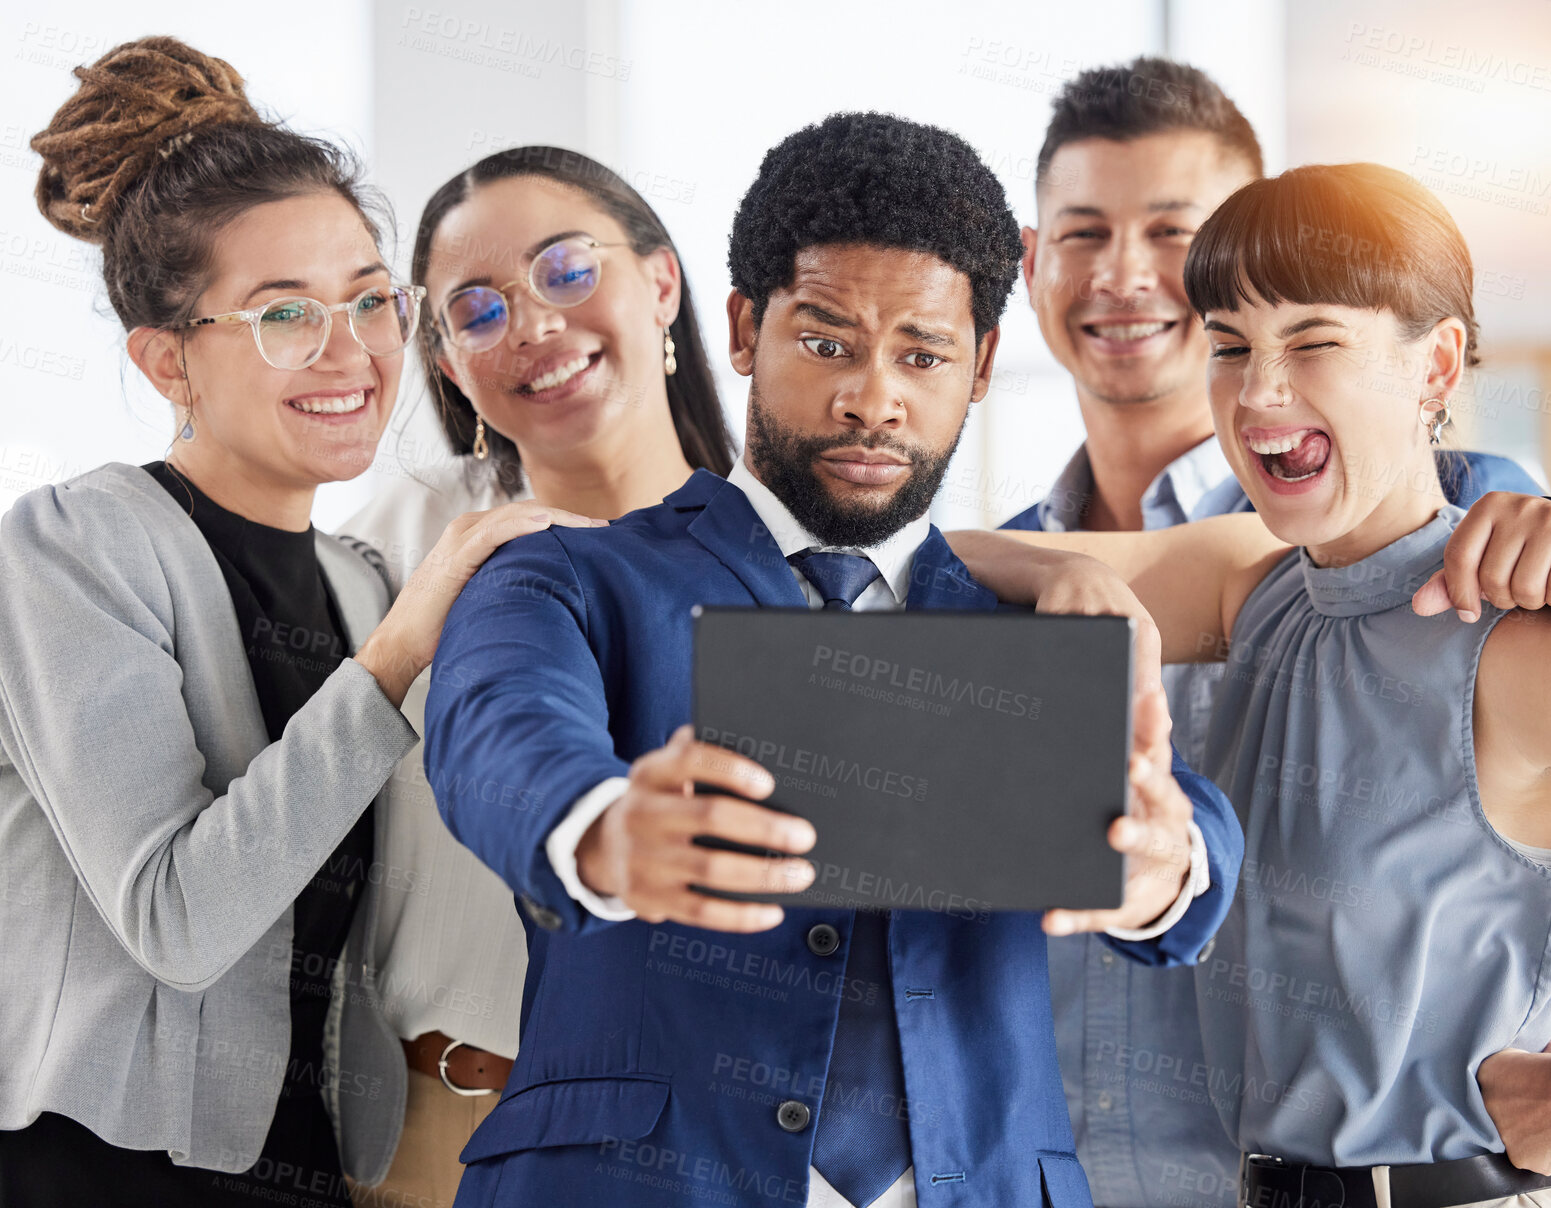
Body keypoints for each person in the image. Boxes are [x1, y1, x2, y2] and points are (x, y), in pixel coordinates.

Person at [420, 111, 1244, 1208]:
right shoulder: (568, 577)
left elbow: (1179, 805)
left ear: (983, 363)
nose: (872, 397)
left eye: (922, 353)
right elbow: (493, 728)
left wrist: (1167, 862)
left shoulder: (1034, 618)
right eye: (825, 342)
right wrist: (604, 827)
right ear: (743, 326)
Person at [1004, 57, 1551, 1207]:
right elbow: (941, 570)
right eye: (1230, 345)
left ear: (1436, 365)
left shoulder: (1532, 640)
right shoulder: (1252, 585)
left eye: (1311, 342)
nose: (1257, 395)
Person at [0, 37, 554, 1206]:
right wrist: (400, 655)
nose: (349, 349)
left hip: (309, 1168)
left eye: (368, 298)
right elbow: (178, 916)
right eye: (284, 313)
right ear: (167, 361)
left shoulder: (359, 582)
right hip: (96, 1169)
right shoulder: (71, 547)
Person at [338, 145, 735, 1208]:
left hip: (682, 1146)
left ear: (659, 283)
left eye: (567, 271)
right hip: (429, 1128)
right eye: (476, 310)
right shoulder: (405, 533)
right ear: (452, 366)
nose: (534, 325)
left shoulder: (778, 554)